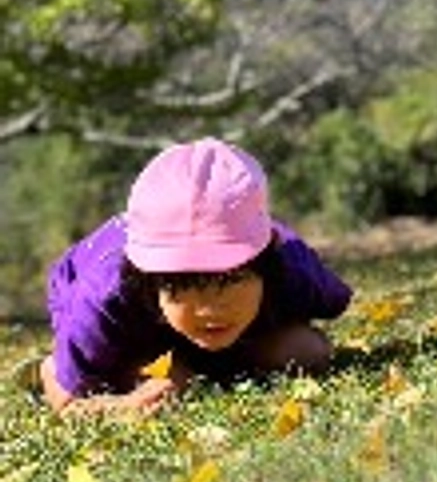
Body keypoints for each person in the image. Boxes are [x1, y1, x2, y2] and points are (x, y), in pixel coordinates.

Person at [40, 138, 353, 415]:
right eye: (182, 287)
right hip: (138, 329)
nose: (210, 309)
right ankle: (161, 364)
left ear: (265, 260)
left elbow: (336, 301)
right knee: (169, 384)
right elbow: (67, 399)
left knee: (306, 351)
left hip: (233, 334)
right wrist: (115, 407)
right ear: (148, 276)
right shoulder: (103, 298)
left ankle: (206, 361)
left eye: (230, 280)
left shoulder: (293, 266)